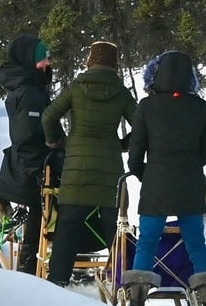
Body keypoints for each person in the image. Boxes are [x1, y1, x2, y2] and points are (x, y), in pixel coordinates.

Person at [123, 50, 206, 306]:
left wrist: (145, 173)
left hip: (156, 184)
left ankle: (136, 301)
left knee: (147, 242)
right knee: (195, 243)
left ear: (156, 74)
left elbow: (135, 153)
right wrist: (193, 165)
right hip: (190, 184)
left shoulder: (146, 106)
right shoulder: (199, 106)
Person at [41, 40, 136, 287]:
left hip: (76, 170)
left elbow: (49, 116)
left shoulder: (76, 88)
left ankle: (57, 282)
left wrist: (56, 141)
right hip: (109, 172)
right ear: (114, 64)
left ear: (90, 60)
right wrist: (123, 144)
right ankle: (122, 282)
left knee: (67, 228)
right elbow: (143, 127)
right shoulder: (122, 93)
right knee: (113, 230)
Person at [0, 35, 56, 273]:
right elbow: (26, 137)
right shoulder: (29, 94)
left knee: (42, 213)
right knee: (40, 213)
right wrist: (36, 170)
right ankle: (28, 268)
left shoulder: (31, 88)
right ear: (30, 62)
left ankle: (33, 263)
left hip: (31, 164)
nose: (47, 64)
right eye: (43, 60)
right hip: (29, 168)